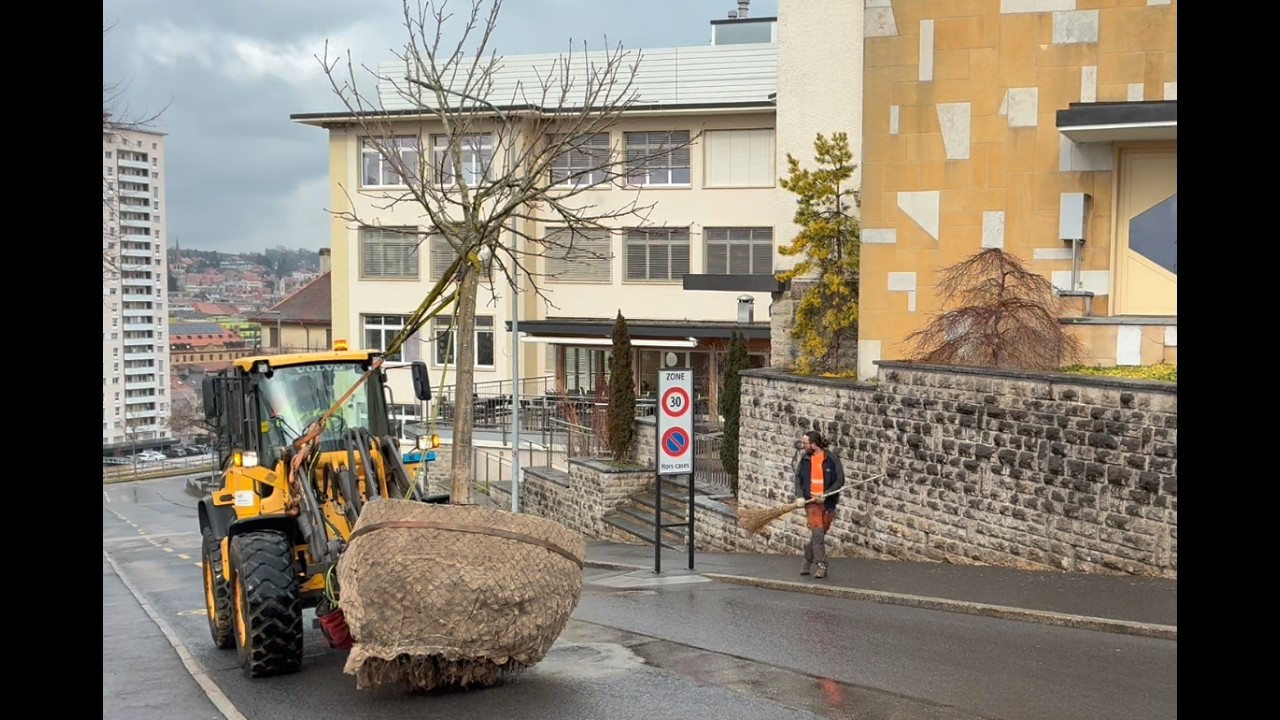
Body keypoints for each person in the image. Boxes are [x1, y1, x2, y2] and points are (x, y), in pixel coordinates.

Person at [791, 429, 845, 579]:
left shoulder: (831, 459)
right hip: (812, 503)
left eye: (805, 443)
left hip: (827, 503)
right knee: (818, 533)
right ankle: (822, 565)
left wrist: (827, 493)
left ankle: (807, 560)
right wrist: (800, 496)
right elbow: (798, 479)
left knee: (818, 536)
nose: (803, 446)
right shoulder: (805, 459)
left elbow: (840, 480)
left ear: (814, 444)